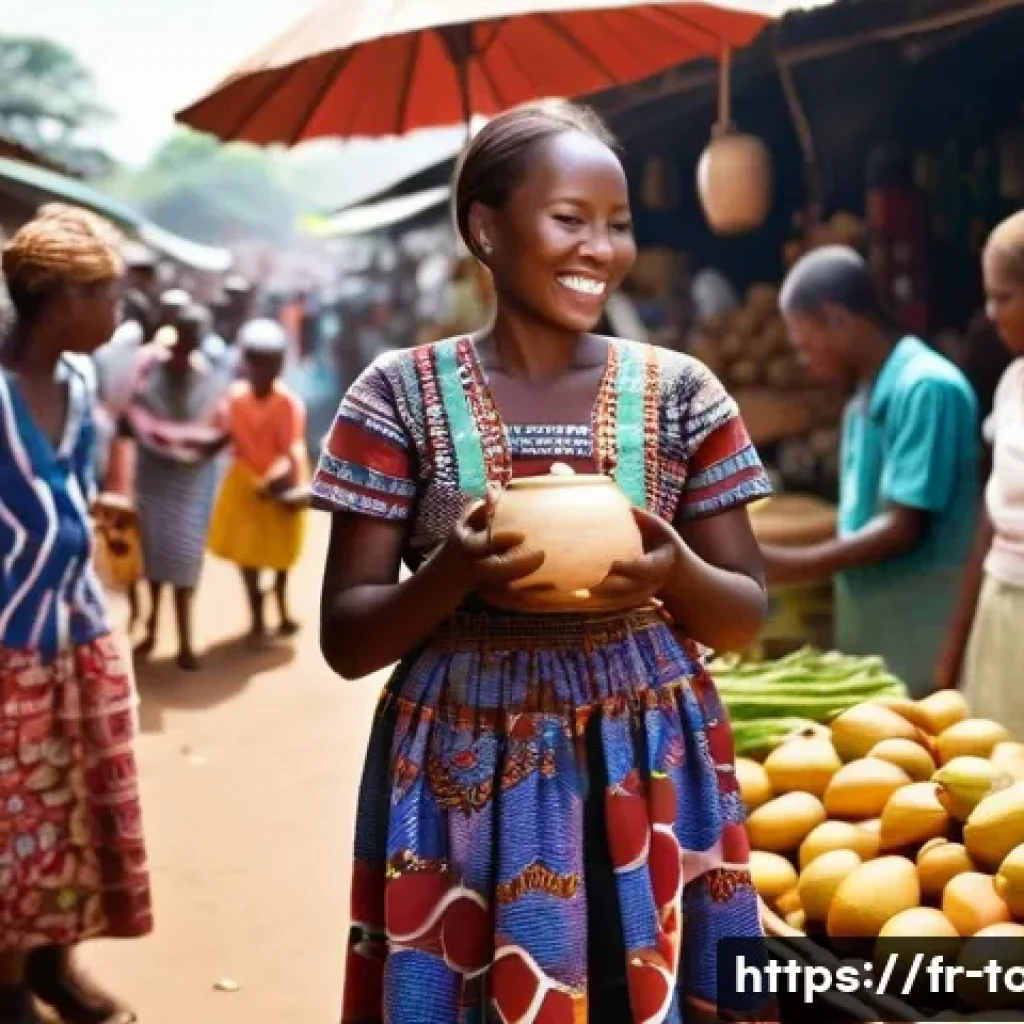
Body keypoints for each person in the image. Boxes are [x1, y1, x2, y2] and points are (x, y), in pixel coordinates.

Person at [313, 101, 774, 1024]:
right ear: (485, 227)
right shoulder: (395, 396)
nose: (599, 249)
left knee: (625, 987)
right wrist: (454, 574)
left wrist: (676, 569)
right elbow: (348, 637)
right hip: (464, 760)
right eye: (570, 219)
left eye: (618, 225)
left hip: (648, 756)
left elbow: (743, 615)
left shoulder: (681, 392)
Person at [0, 205, 151, 1024]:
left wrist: (101, 508)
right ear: (57, 299)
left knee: (77, 814)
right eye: (108, 294)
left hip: (79, 635)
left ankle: (56, 967)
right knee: (11, 821)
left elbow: (73, 488)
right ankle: (8, 983)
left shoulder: (85, 382)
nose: (120, 310)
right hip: (9, 646)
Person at [760, 245, 980, 697]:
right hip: (876, 638)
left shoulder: (926, 387)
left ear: (836, 319)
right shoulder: (863, 396)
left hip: (924, 640)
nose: (804, 360)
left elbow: (903, 528)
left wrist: (787, 566)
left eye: (805, 345)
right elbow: (859, 521)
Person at [938, 211, 1024, 731]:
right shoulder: (1014, 382)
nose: (990, 314)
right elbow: (990, 522)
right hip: (1000, 613)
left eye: (1005, 297)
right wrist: (953, 649)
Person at [122, 303, 229, 671]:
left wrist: (191, 448)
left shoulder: (210, 377)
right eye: (184, 332)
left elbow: (219, 426)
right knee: (152, 551)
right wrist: (167, 441)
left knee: (185, 555)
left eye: (195, 334)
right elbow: (136, 413)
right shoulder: (149, 369)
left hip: (192, 480)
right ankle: (151, 628)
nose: (189, 340)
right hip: (154, 476)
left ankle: (184, 638)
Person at [207, 318, 308, 643]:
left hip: (281, 487)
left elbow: (291, 447)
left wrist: (277, 477)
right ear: (247, 365)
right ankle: (258, 618)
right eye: (259, 364)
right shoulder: (234, 399)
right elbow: (223, 436)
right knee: (247, 554)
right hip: (245, 486)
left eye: (273, 363)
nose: (266, 371)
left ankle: (280, 603)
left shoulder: (289, 403)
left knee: (281, 553)